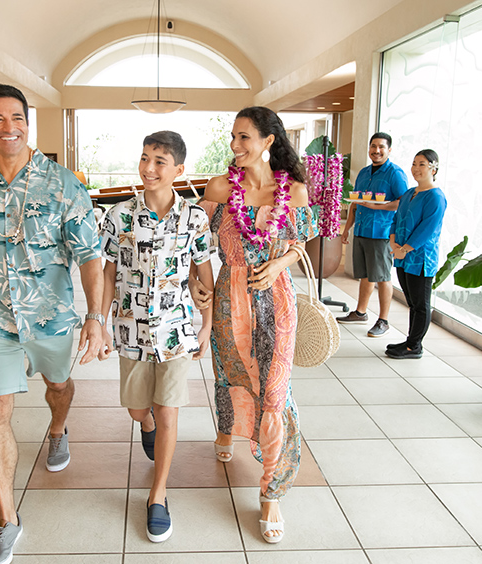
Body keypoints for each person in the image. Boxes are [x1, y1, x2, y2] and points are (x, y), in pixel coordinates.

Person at [0, 84, 104, 564]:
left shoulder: (63, 183)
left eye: (16, 117)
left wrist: (95, 318)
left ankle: (58, 429)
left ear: (27, 122)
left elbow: (90, 256)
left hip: (50, 314)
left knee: (58, 385)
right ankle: (6, 518)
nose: (9, 127)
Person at [192, 106, 316, 543]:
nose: (235, 146)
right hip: (230, 298)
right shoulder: (222, 187)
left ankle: (271, 492)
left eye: (245, 137)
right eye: (233, 137)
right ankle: (226, 429)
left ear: (268, 141)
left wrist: (279, 260)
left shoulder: (295, 191)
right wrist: (195, 279)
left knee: (275, 390)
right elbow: (191, 237)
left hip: (278, 300)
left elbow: (301, 241)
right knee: (231, 374)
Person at [99, 131, 214, 543]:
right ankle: (144, 422)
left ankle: (158, 494)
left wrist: (206, 323)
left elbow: (204, 274)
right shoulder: (117, 216)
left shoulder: (195, 218)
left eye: (159, 161)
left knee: (169, 410)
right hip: (130, 327)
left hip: (176, 331)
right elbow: (109, 271)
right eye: (145, 158)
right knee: (137, 409)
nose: (148, 168)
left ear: (179, 170)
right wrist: (98, 319)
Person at [338, 133, 408, 337]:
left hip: (382, 233)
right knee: (366, 275)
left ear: (389, 150)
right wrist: (347, 228)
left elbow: (402, 202)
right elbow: (355, 203)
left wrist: (379, 206)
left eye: (381, 147)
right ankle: (360, 312)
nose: (376, 151)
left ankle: (384, 320)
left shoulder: (395, 173)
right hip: (361, 229)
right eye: (373, 146)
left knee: (383, 277)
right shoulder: (364, 172)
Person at [386, 149, 447, 359]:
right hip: (402, 257)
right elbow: (396, 220)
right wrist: (394, 244)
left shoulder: (436, 197)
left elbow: (427, 229)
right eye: (414, 164)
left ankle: (415, 346)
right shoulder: (409, 193)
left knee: (421, 305)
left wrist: (404, 249)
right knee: (411, 302)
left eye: (422, 164)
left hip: (420, 259)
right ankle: (411, 340)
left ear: (434, 167)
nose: (416, 169)